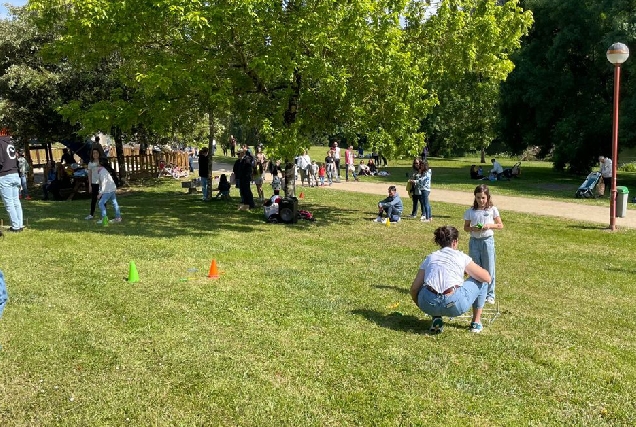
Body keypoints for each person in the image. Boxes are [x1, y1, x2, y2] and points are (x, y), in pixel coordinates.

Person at [409, 225, 492, 334]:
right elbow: (486, 277)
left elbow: (414, 288)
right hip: (454, 304)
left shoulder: (430, 257)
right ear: (455, 242)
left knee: (428, 284)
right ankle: (476, 323)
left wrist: (420, 304)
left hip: (428, 303)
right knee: (482, 281)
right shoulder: (461, 256)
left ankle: (436, 317)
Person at [463, 184, 503, 305]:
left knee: (489, 267)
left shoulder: (492, 210)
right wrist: (473, 228)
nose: (481, 200)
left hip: (487, 241)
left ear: (488, 197)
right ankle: (476, 292)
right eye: (478, 197)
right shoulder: (471, 211)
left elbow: (500, 225)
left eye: (483, 198)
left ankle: (490, 294)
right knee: (475, 268)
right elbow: (465, 227)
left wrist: (489, 226)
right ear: (475, 197)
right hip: (474, 241)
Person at [0, 136, 24, 232]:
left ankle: (15, 227)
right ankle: (20, 225)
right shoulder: (10, 143)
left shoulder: (0, 143)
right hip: (15, 174)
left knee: (9, 203)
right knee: (16, 202)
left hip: (5, 175)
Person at [97, 158, 122, 223]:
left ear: (100, 164)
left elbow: (104, 183)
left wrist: (100, 193)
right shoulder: (104, 170)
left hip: (108, 190)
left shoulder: (102, 172)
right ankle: (118, 217)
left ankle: (104, 218)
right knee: (114, 202)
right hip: (112, 188)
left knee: (101, 203)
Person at [86, 148, 102, 219]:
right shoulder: (90, 163)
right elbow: (89, 174)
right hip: (94, 183)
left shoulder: (101, 162)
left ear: (99, 154)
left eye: (96, 153)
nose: (95, 154)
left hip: (101, 183)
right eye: (94, 153)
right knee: (93, 200)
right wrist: (90, 185)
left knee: (102, 199)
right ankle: (91, 214)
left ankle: (104, 215)